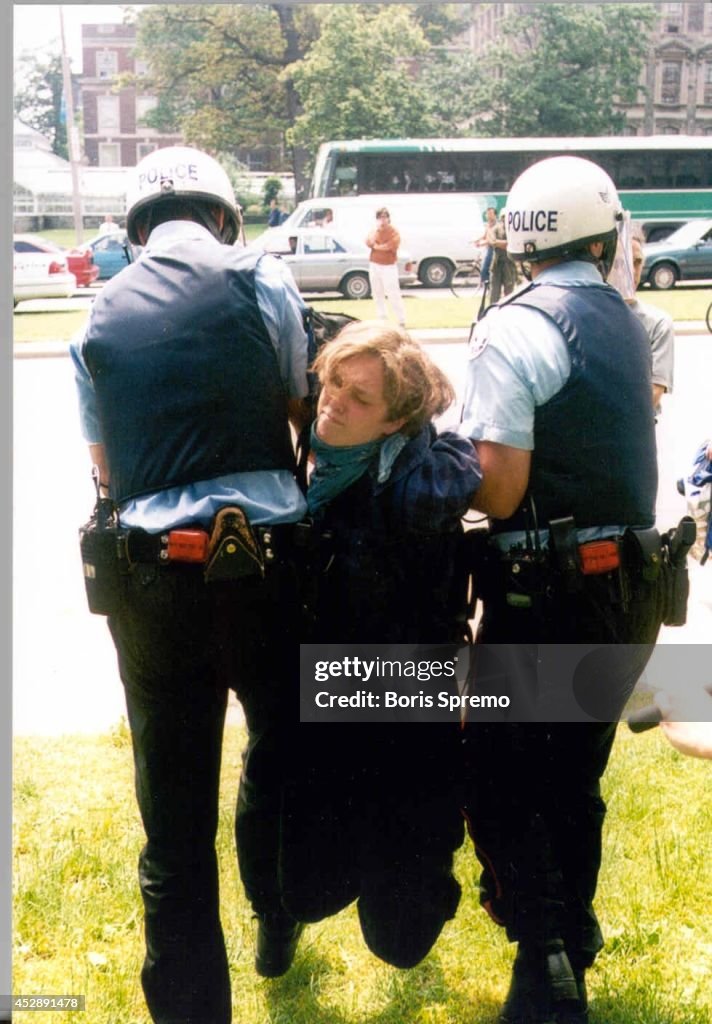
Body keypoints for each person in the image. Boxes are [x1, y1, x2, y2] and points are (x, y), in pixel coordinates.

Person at [70, 145, 311, 1024]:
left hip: (152, 579)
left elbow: (106, 461)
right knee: (281, 750)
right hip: (267, 565)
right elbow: (296, 403)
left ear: (136, 231)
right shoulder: (263, 279)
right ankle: (277, 911)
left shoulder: (96, 310)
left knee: (172, 825)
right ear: (221, 215)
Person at [459, 156, 665, 1024]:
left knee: (499, 773)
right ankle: (572, 935)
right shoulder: (634, 319)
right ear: (609, 234)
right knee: (574, 775)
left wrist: (433, 462)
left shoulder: (513, 326)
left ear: (518, 244)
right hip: (634, 588)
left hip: (545, 590)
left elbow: (500, 489)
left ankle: (544, 963)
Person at [277, 321, 483, 968]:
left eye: (360, 398)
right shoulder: (313, 470)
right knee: (305, 892)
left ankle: (414, 875)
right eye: (333, 382)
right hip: (330, 712)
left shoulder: (418, 484)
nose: (335, 401)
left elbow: (446, 481)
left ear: (395, 423)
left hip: (407, 716)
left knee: (400, 939)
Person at [366, 207, 407, 327]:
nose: (382, 220)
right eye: (380, 217)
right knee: (377, 292)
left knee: (392, 292)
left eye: (384, 217)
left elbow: (390, 246)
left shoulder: (393, 231)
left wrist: (377, 247)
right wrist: (376, 235)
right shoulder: (375, 231)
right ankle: (382, 317)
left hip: (388, 266)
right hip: (374, 264)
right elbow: (369, 241)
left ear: (388, 218)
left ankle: (401, 319)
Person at [488, 211, 518, 304]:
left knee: (509, 292)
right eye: (503, 217)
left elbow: (512, 243)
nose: (505, 219)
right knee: (494, 292)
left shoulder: (513, 230)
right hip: (496, 264)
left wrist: (499, 243)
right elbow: (492, 241)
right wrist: (503, 243)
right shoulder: (496, 229)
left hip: (509, 264)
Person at [475, 205, 498, 288]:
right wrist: (477, 240)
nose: (488, 216)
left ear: (495, 215)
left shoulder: (496, 226)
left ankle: (488, 287)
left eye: (490, 214)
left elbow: (492, 240)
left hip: (493, 250)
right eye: (487, 214)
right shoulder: (488, 225)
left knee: (485, 269)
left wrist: (482, 244)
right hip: (488, 249)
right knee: (485, 268)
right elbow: (485, 236)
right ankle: (488, 287)